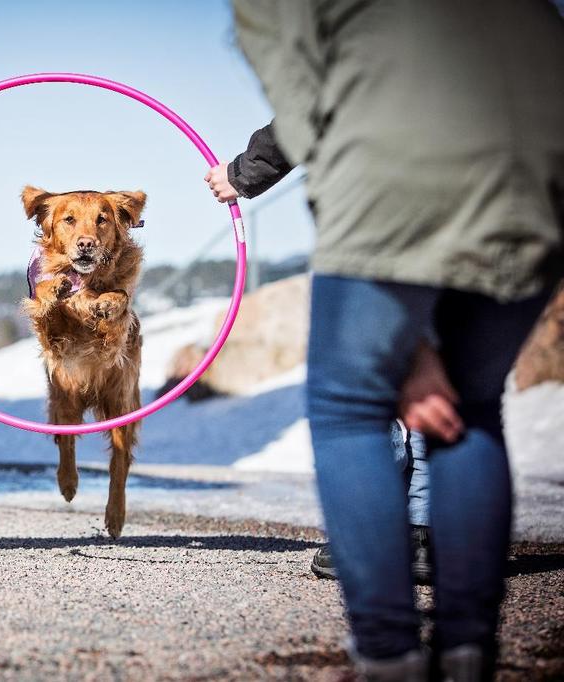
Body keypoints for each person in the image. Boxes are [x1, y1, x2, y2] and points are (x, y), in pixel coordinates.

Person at [218, 1, 564, 679]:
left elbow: (314, 112)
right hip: (545, 150)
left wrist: (254, 176)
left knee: (351, 405)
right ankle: (468, 648)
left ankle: (388, 653)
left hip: (398, 166)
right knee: (468, 403)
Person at [206, 122, 451, 584]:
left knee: (362, 388)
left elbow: (311, 105)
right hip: (475, 210)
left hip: (383, 221)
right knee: (438, 377)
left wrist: (242, 173)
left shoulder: (369, 51)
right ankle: (425, 534)